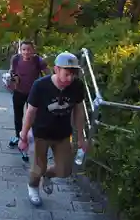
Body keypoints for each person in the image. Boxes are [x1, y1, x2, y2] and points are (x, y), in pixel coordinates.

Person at [18, 51, 87, 207]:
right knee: (38, 167)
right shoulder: (41, 85)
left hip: (62, 134)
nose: (70, 78)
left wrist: (81, 137)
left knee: (64, 170)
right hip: (40, 133)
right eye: (67, 74)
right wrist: (23, 136)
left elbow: (79, 111)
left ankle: (47, 175)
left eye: (73, 75)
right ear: (56, 69)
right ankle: (33, 187)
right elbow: (30, 111)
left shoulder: (77, 86)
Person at [8, 41, 50, 149]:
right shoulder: (16, 59)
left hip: (34, 93)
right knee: (18, 115)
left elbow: (48, 73)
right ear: (20, 50)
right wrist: (14, 76)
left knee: (32, 116)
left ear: (33, 50)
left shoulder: (37, 60)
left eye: (29, 49)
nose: (26, 52)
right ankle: (18, 136)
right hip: (19, 91)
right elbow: (12, 71)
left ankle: (30, 136)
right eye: (24, 50)